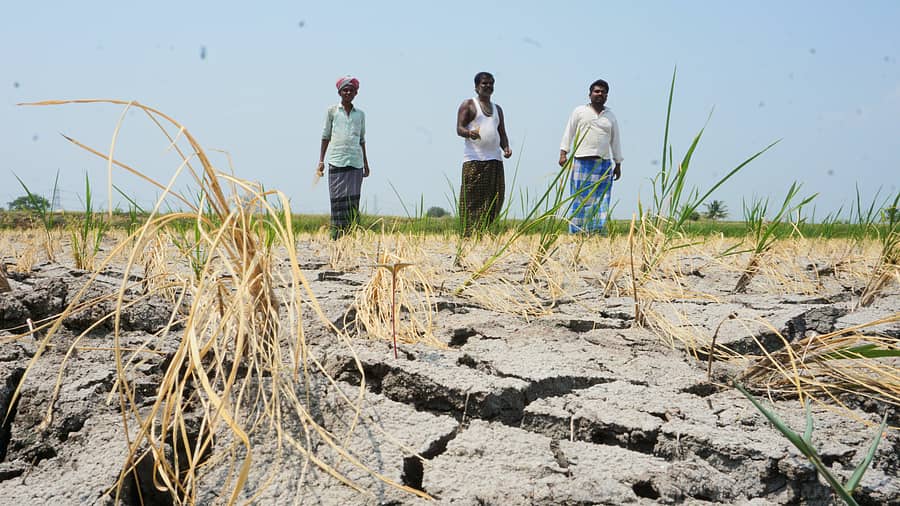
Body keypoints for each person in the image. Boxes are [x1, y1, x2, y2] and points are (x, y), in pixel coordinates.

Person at [558, 78, 623, 234]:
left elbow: (616, 140)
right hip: (581, 161)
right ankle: (576, 231)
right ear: (590, 94)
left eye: (603, 92)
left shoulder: (610, 116)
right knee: (579, 198)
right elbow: (569, 132)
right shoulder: (579, 111)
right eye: (596, 91)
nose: (599, 94)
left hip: (603, 163)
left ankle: (596, 231)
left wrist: (618, 163)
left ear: (607, 96)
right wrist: (563, 152)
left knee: (601, 199)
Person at [456, 71, 512, 236]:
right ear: (476, 87)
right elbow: (459, 128)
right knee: (472, 198)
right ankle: (469, 234)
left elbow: (501, 132)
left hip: (494, 159)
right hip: (474, 160)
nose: (488, 86)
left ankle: (487, 232)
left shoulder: (497, 109)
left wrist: (506, 147)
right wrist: (469, 133)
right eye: (484, 83)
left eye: (491, 83)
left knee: (495, 198)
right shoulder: (469, 105)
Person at [317, 76, 370, 239]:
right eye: (345, 90)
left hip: (355, 162)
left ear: (356, 93)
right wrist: (321, 161)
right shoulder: (332, 111)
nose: (348, 92)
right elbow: (325, 136)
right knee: (337, 201)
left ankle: (351, 236)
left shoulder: (360, 114)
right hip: (336, 161)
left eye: (351, 90)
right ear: (339, 92)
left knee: (353, 201)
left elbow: (361, 140)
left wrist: (366, 164)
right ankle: (336, 236)